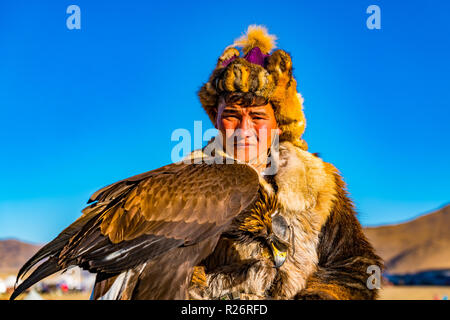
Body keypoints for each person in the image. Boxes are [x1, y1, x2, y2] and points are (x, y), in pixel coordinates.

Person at [186, 25, 383, 299]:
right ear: (216, 120)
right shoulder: (183, 183)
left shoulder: (318, 184)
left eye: (257, 117)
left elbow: (356, 267)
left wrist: (323, 297)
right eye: (232, 114)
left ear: (277, 125)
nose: (244, 128)